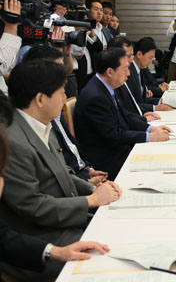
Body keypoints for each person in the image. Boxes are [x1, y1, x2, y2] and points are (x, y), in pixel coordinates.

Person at [0, 60, 121, 279]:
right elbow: (31, 206)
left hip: (62, 220)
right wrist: (90, 201)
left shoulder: (40, 123)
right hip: (39, 237)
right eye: (61, 92)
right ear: (40, 99)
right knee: (113, 256)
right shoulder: (13, 141)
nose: (65, 98)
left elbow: (61, 171)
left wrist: (95, 190)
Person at [75, 48, 172, 179]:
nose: (128, 74)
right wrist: (149, 137)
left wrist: (151, 129)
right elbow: (113, 134)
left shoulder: (106, 86)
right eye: (125, 69)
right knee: (163, 166)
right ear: (110, 71)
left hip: (119, 148)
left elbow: (125, 115)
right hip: (108, 159)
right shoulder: (95, 96)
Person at [21, 45, 109, 185]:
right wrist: (87, 185)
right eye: (57, 69)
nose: (65, 96)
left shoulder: (52, 111)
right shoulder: (33, 124)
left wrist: (87, 170)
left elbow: (70, 149)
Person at [108, 37, 161, 123]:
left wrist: (142, 116)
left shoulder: (132, 71)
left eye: (131, 56)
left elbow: (129, 107)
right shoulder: (111, 83)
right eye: (128, 56)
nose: (131, 60)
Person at [127, 38, 173, 112]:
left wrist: (160, 102)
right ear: (139, 54)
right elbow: (131, 105)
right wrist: (155, 108)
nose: (151, 62)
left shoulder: (139, 69)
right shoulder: (129, 73)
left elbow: (143, 100)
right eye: (150, 58)